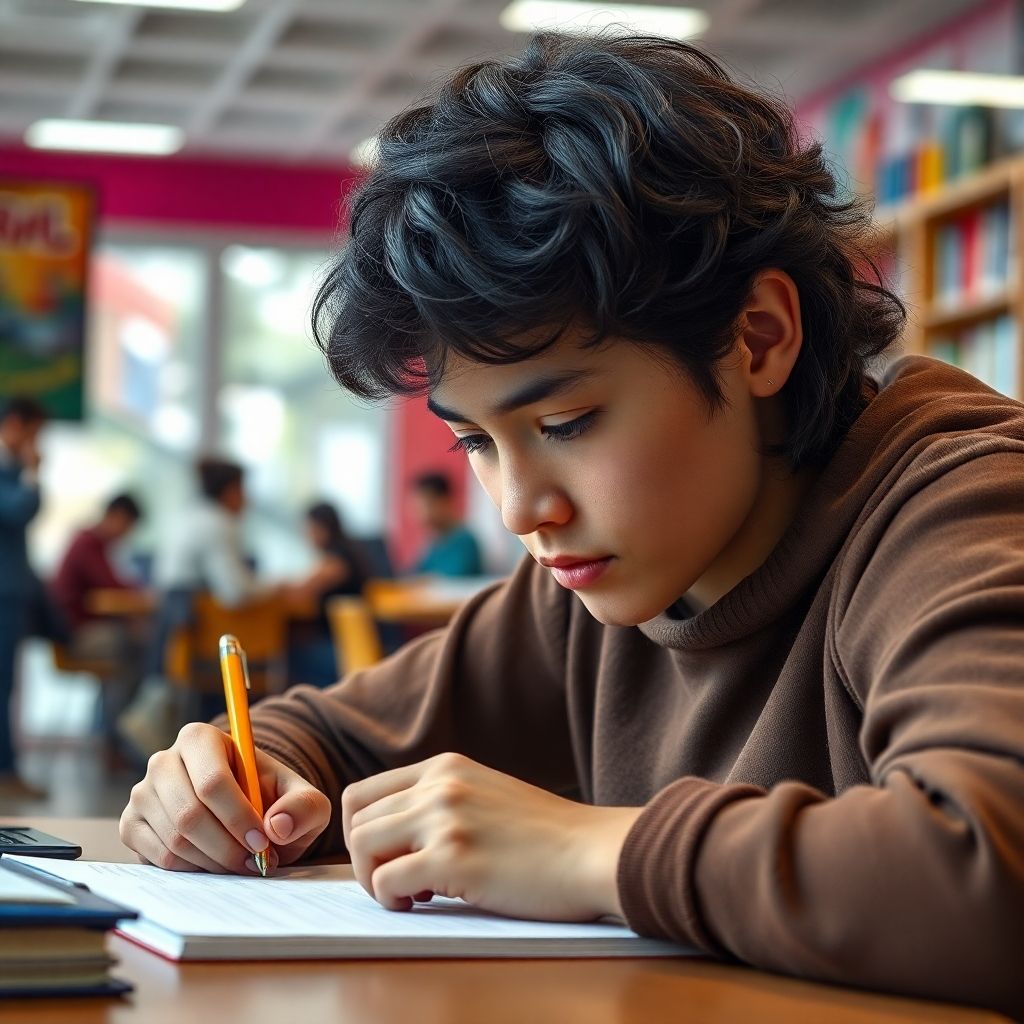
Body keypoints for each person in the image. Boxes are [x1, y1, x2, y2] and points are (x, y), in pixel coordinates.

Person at [118, 35, 1024, 1017]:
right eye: (476, 443)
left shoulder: (960, 503)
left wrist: (592, 848)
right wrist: (233, 778)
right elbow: (331, 737)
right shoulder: (593, 588)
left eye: (564, 424)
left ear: (758, 336)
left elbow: (988, 864)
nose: (520, 507)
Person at [116, 458, 262, 760]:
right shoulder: (218, 523)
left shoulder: (187, 517)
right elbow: (234, 592)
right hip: (196, 625)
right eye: (243, 490)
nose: (247, 499)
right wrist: (277, 589)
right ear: (230, 491)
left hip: (172, 618)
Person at [51, 492, 146, 754]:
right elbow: (110, 586)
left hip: (82, 630)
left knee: (132, 650)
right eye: (128, 526)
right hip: (73, 636)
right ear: (116, 517)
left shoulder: (93, 544)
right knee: (134, 649)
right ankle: (115, 739)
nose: (126, 535)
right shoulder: (88, 543)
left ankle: (111, 734)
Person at [0, 394, 48, 797]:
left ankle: (9, 768)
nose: (36, 443)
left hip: (11, 593)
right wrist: (33, 473)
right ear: (15, 424)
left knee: (6, 684)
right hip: (4, 594)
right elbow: (17, 511)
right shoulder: (10, 469)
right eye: (33, 433)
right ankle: (7, 771)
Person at [282, 501, 369, 687]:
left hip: (345, 648)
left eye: (309, 528)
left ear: (322, 528)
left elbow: (303, 591)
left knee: (290, 653)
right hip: (345, 644)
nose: (306, 535)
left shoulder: (337, 560)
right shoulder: (348, 553)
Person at [410, 472, 483, 577]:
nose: (422, 513)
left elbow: (453, 578)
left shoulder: (464, 541)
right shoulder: (433, 542)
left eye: (427, 504)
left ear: (446, 501)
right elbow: (414, 572)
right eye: (417, 507)